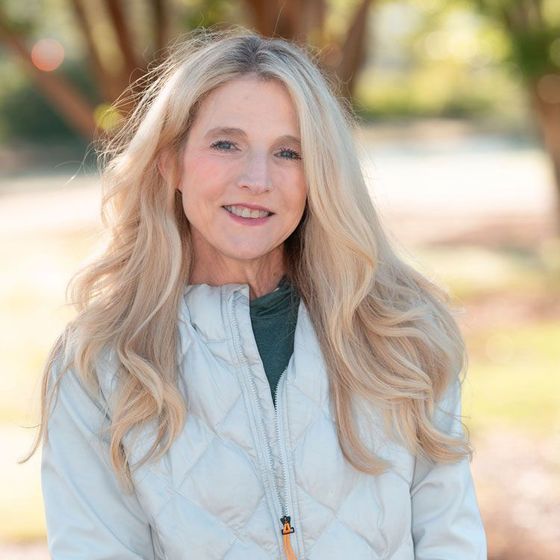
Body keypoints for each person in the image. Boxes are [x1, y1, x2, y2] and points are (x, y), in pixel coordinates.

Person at [27, 27, 487, 559]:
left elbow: (450, 540)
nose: (256, 178)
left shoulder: (400, 334)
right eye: (226, 144)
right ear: (170, 161)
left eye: (289, 152)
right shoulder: (100, 364)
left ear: (321, 174)